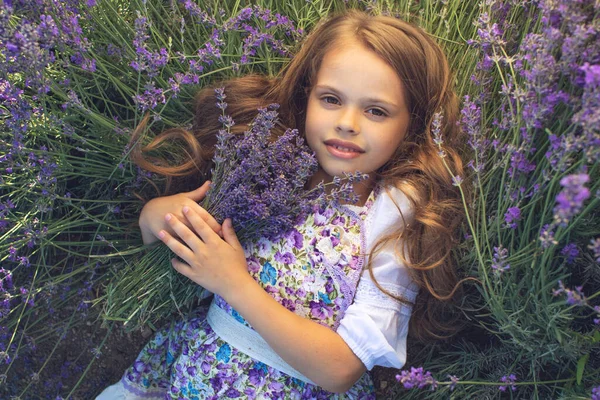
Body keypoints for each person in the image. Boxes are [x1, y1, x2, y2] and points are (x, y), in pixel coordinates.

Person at [98, 8, 465, 399]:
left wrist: (235, 283)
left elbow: (341, 369)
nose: (347, 122)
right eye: (331, 99)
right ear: (307, 96)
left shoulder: (394, 212)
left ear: (413, 122)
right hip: (195, 372)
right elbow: (168, 250)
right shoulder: (270, 166)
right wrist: (156, 216)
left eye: (376, 111)